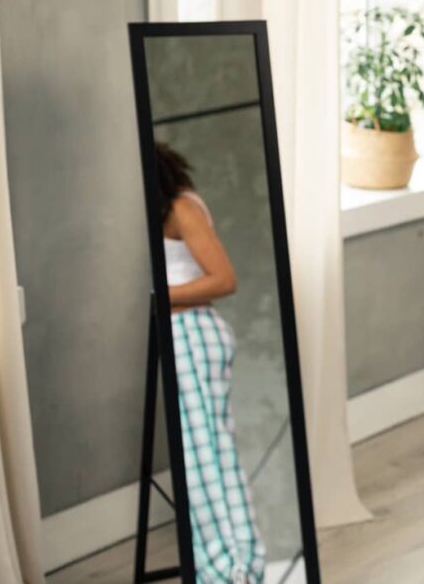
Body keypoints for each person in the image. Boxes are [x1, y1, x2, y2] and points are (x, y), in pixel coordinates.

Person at [156, 141, 266, 584]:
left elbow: (224, 279)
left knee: (210, 461)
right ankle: (217, 568)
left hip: (193, 335)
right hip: (178, 339)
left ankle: (236, 569)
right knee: (197, 464)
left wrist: (154, 299)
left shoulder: (182, 207)